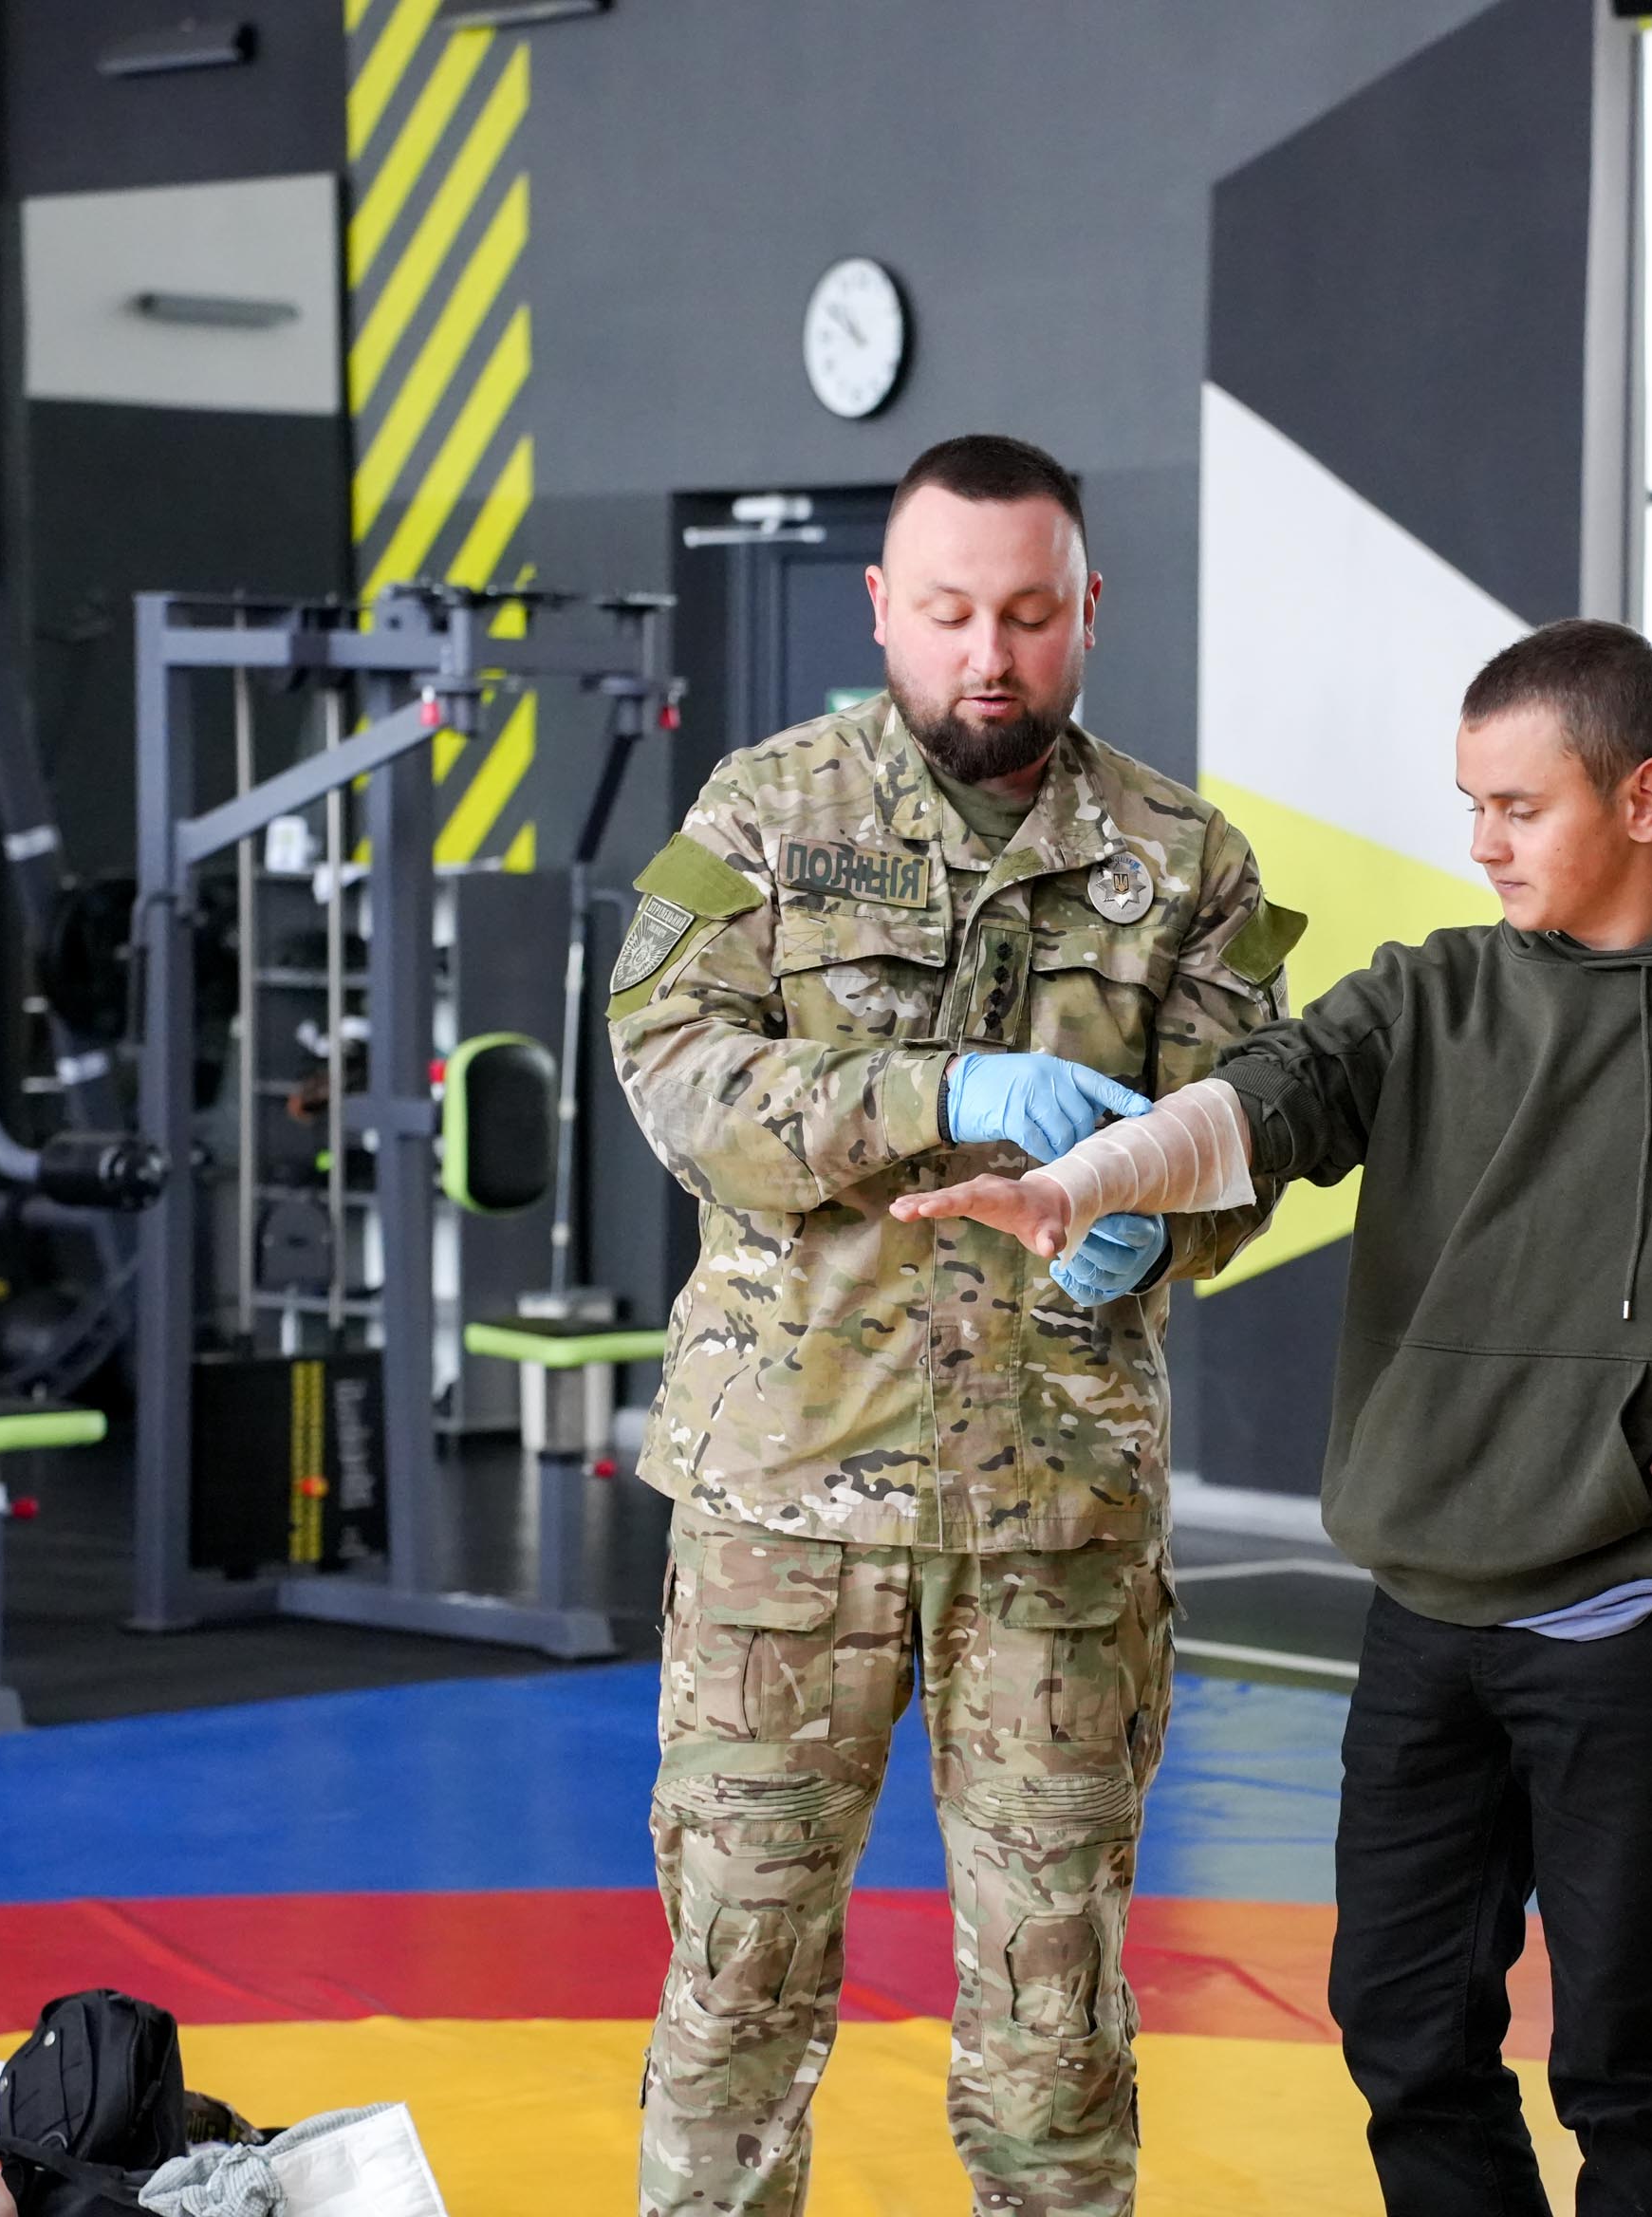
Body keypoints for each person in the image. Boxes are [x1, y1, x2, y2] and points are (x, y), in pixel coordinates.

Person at [893, 617, 1652, 2216]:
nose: (1485, 843)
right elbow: (1265, 1102)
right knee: (1403, 2028)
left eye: (1521, 806)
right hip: (1427, 1621)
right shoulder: (1433, 993)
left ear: (1645, 797)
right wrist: (1083, 1182)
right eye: (1471, 806)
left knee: (1624, 2060)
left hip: (1643, 1625)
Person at [607, 432, 1306, 2217]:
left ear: (1090, 608)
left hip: (1055, 1512)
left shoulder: (1188, 863)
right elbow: (677, 1077)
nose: (988, 657)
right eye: (947, 613)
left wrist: (1154, 1233)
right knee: (736, 1986)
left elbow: (1246, 1137)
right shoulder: (762, 817)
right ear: (879, 606)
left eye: (1027, 616)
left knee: (1054, 2013)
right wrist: (938, 1090)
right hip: (788, 1501)